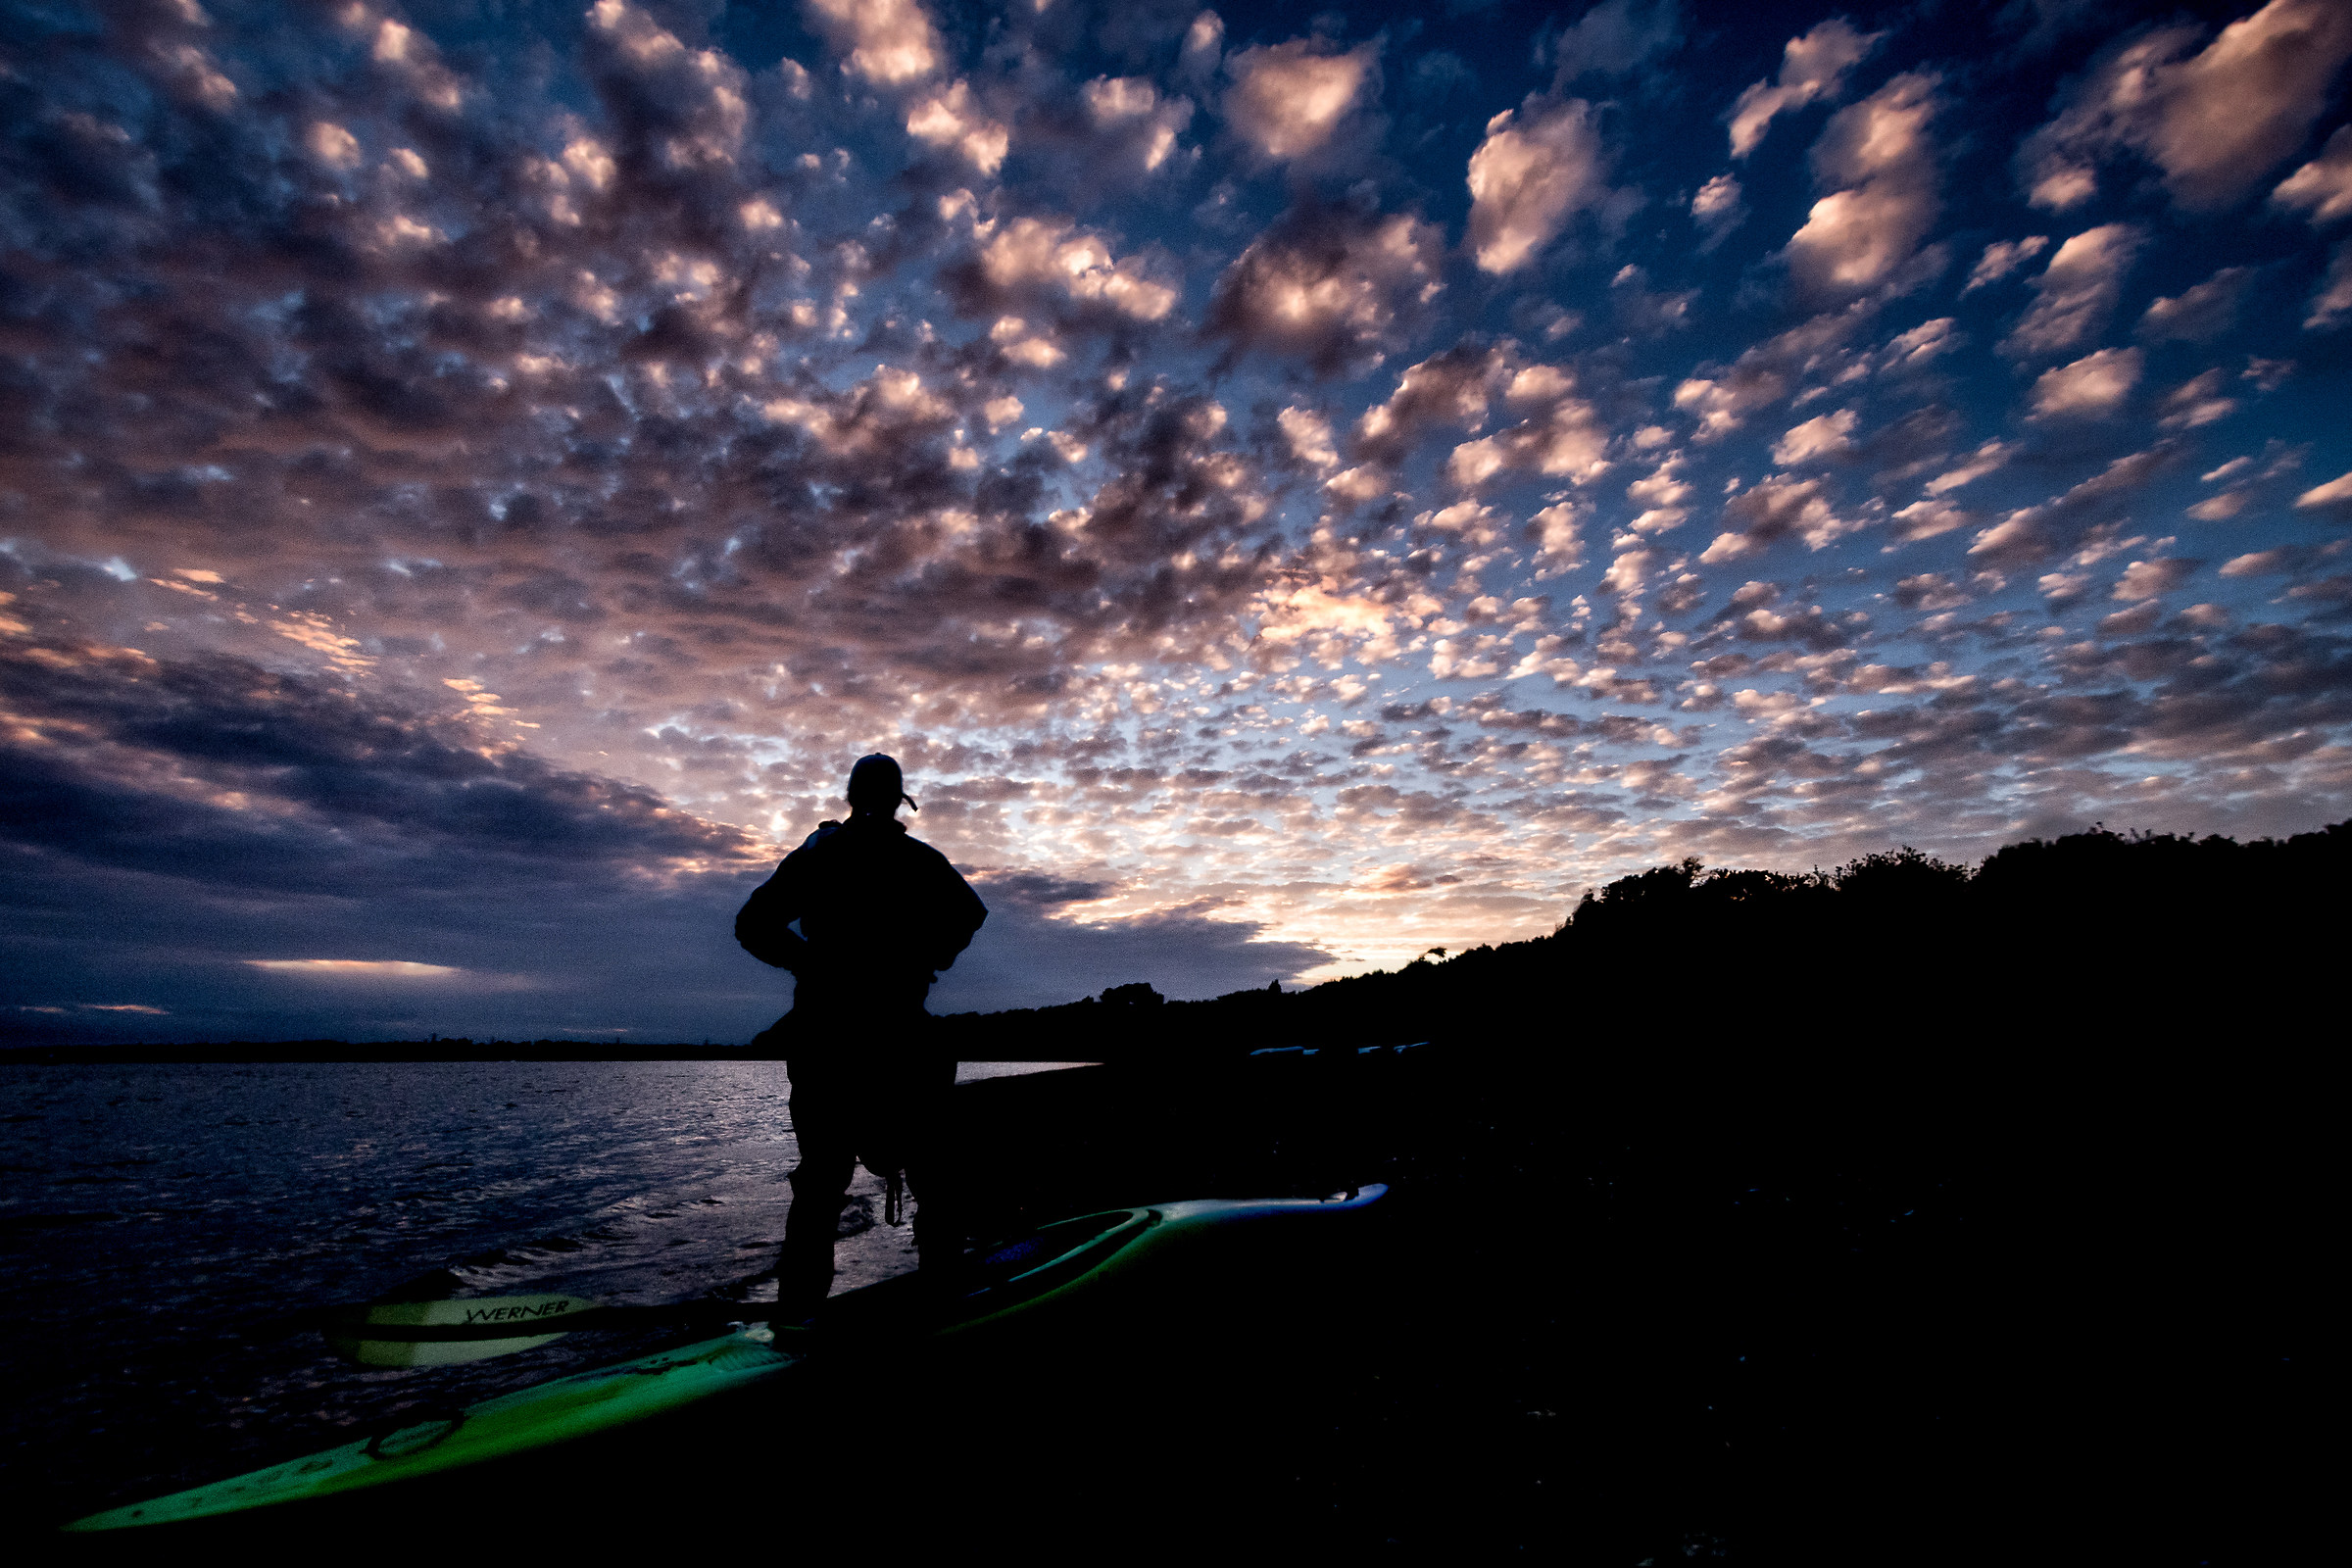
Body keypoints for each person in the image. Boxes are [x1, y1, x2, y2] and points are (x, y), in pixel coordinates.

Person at [736, 754, 988, 1313]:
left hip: (829, 1042)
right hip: (897, 1039)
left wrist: (809, 964)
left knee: (822, 1184)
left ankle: (799, 1318)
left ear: (851, 796)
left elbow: (752, 925)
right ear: (901, 800)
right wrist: (932, 954)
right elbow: (971, 913)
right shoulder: (918, 859)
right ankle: (942, 1303)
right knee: (932, 1180)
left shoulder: (819, 856)